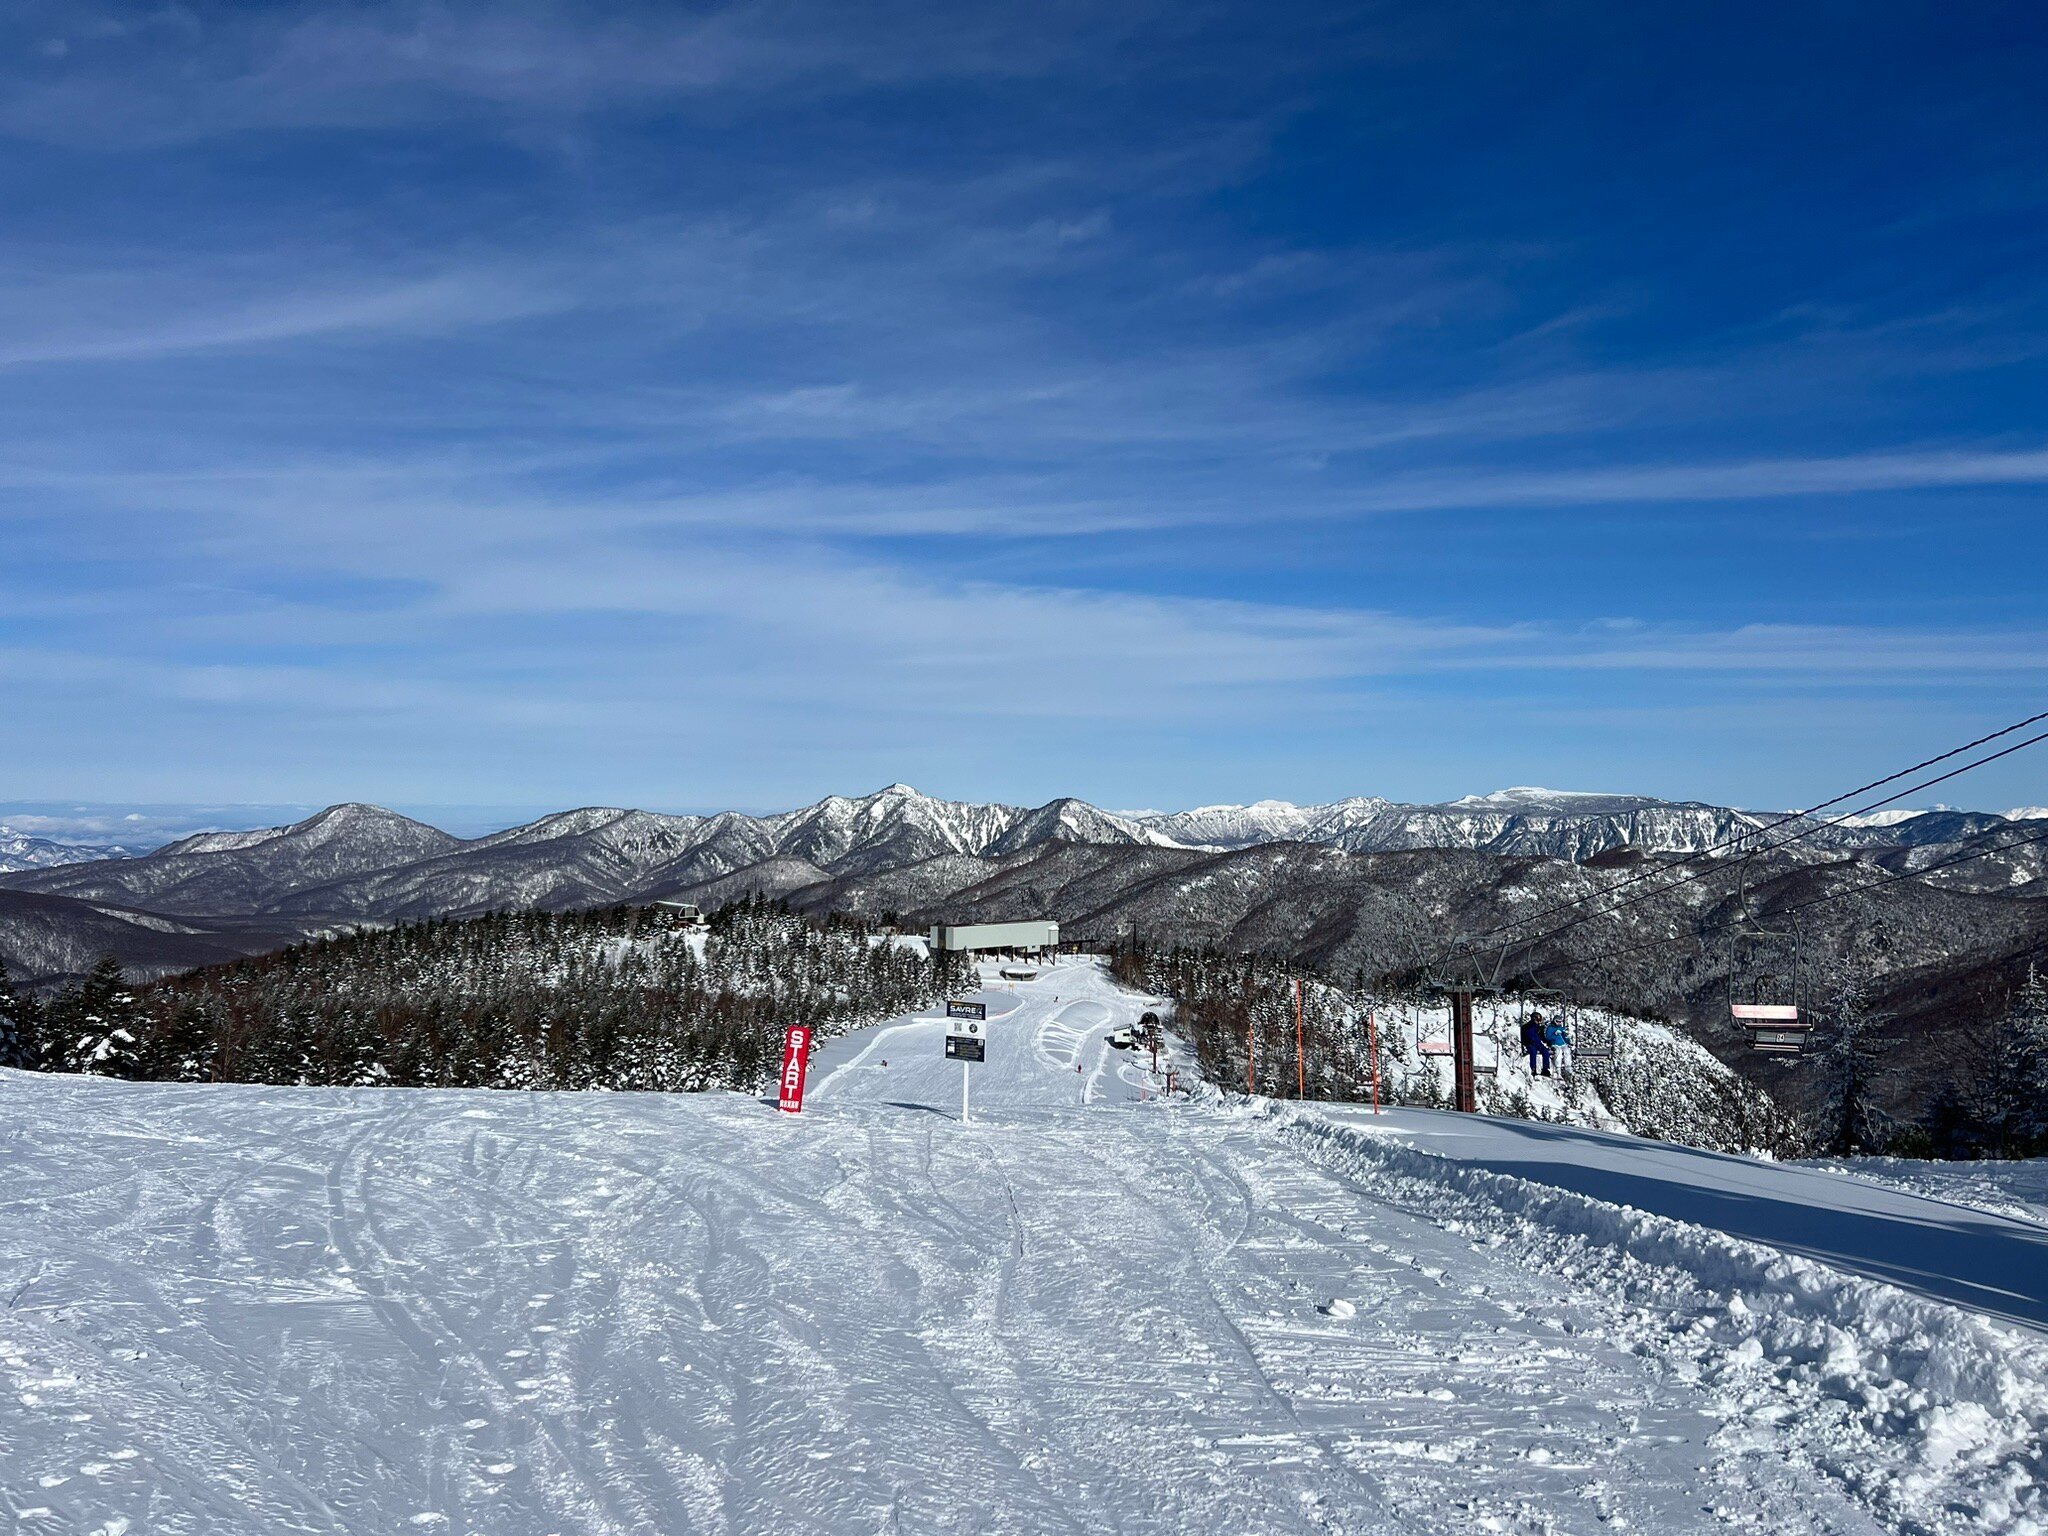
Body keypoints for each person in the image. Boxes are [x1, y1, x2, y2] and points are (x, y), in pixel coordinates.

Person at [1521, 1011, 1554, 1077]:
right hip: (1530, 1043)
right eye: (1538, 1020)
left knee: (1545, 1051)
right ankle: (1533, 1069)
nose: (1539, 1022)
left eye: (1540, 1020)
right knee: (1533, 1052)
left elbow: (1542, 1037)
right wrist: (1527, 1042)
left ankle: (1545, 1069)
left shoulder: (1539, 1028)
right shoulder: (1527, 1027)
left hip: (1538, 1043)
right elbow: (1524, 1036)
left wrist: (1547, 1042)